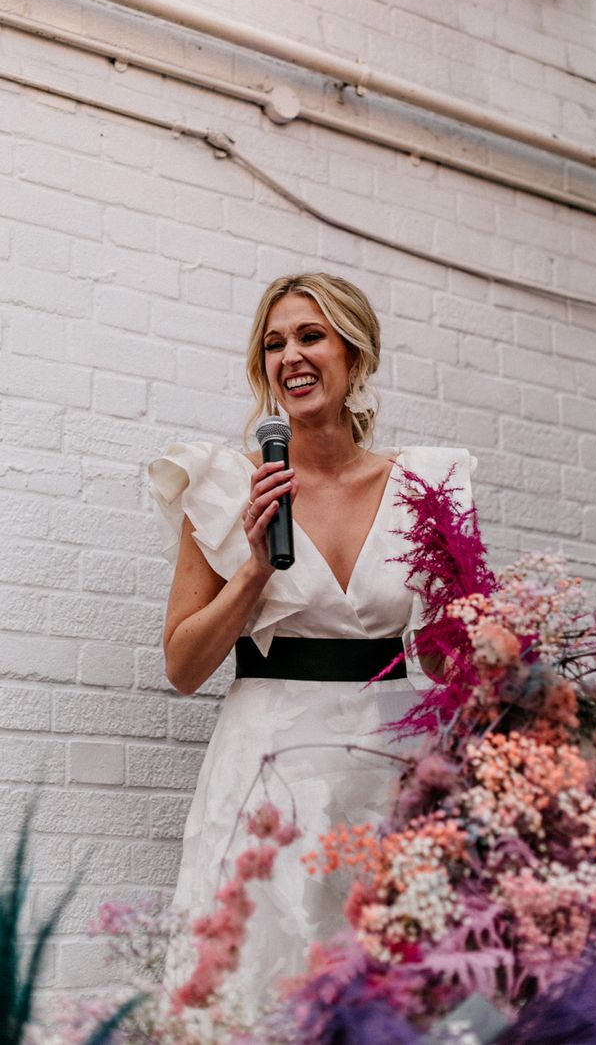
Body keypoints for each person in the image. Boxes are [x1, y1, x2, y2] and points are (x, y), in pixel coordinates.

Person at [149, 272, 475, 1022]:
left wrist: (488, 644)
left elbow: (444, 658)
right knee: (262, 986)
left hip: (397, 765)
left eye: (310, 335)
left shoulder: (427, 486)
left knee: (399, 989)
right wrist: (254, 570)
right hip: (271, 771)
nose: (289, 355)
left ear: (354, 354)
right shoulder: (229, 487)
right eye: (273, 343)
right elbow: (183, 665)